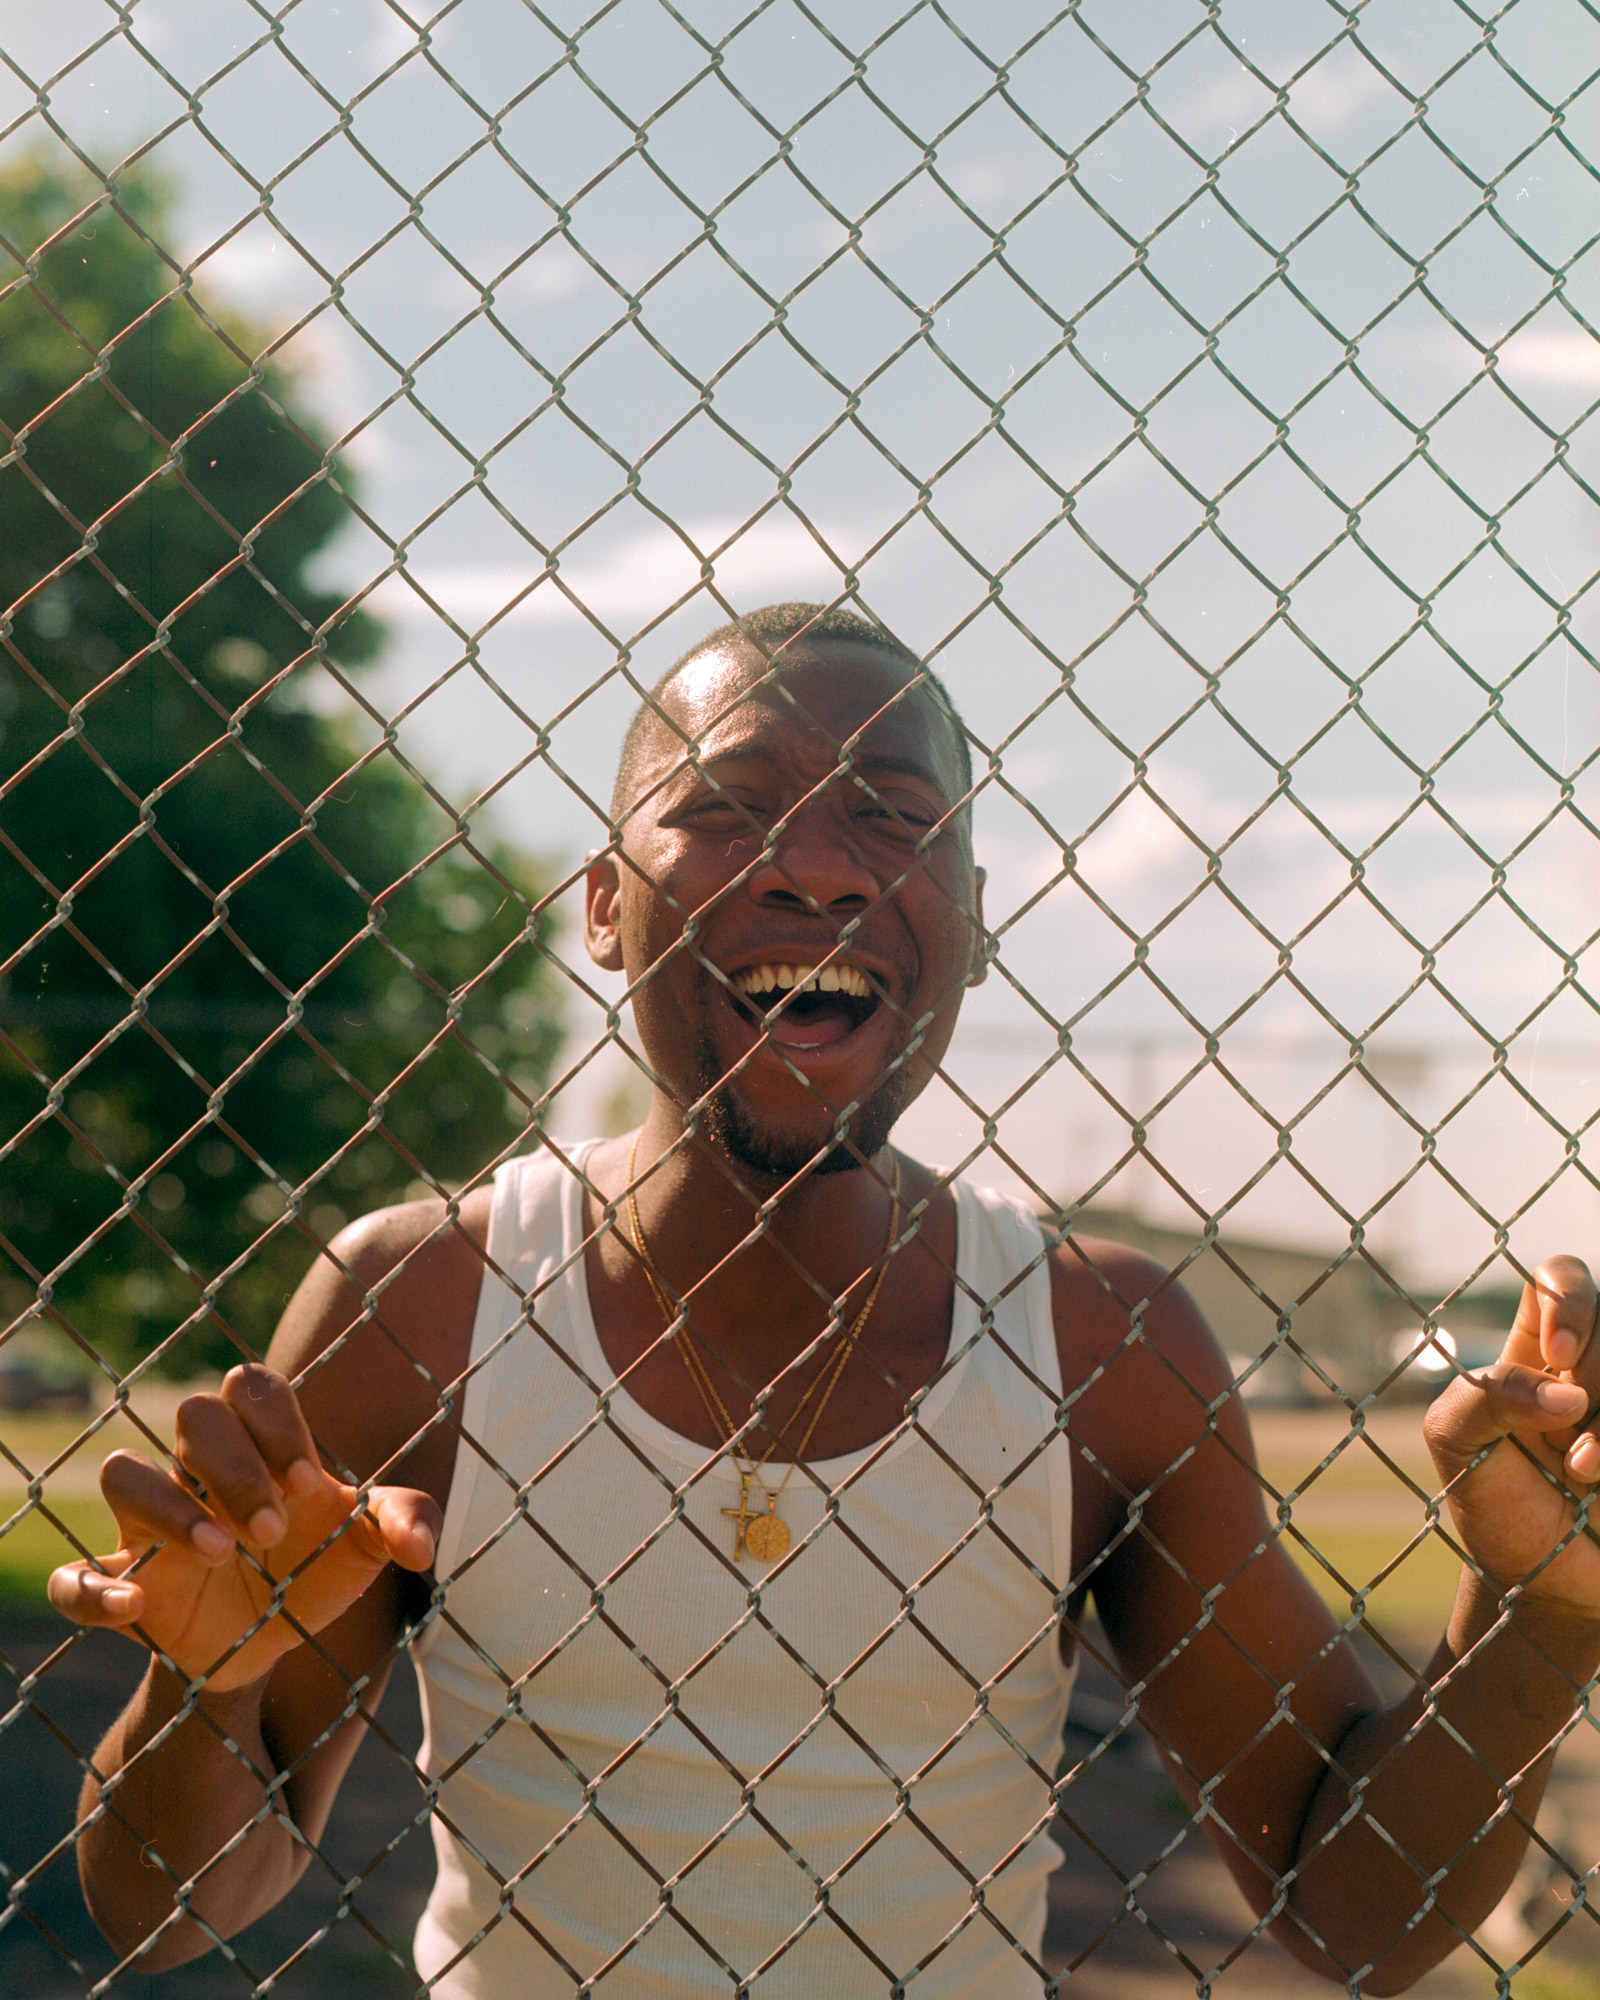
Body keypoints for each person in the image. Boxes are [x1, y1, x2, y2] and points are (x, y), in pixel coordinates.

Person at [50, 603, 1600, 1997]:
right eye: (726, 808)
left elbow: (1360, 1915)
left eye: (894, 816)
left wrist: (1541, 1620)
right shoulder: (424, 1302)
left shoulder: (1101, 1349)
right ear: (602, 905)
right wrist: (202, 1689)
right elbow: (170, 1906)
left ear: (974, 922)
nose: (817, 861)